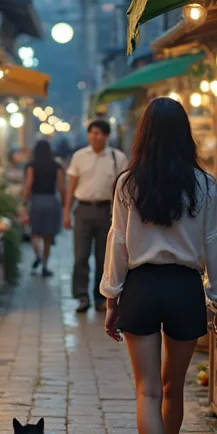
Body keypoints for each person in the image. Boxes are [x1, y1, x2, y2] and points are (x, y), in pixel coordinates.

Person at [100, 97, 217, 434]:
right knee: (172, 389)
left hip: (140, 288)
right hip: (183, 290)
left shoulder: (127, 184)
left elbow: (118, 244)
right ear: (185, 135)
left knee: (147, 392)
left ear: (143, 135)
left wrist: (111, 298)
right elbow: (216, 245)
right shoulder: (204, 185)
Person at [64, 119, 127, 313]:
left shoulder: (117, 158)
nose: (95, 136)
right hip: (83, 209)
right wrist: (66, 211)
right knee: (81, 255)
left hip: (107, 212)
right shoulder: (79, 157)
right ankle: (82, 296)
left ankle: (101, 297)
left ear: (107, 136)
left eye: (100, 133)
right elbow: (72, 185)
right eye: (92, 132)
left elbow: (124, 189)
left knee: (104, 257)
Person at [23, 140, 66, 277]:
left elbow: (29, 184)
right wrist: (65, 204)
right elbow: (61, 187)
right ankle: (45, 266)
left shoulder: (31, 165)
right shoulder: (57, 166)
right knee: (48, 236)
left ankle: (38, 255)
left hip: (36, 201)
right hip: (51, 201)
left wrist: (24, 200)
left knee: (33, 232)